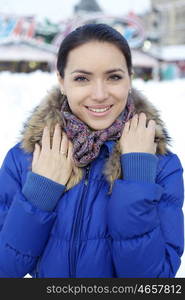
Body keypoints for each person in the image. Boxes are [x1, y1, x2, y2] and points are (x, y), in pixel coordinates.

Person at [0, 23, 184, 278]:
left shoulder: (161, 165)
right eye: (82, 78)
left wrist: (137, 177)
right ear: (62, 82)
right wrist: (40, 193)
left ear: (130, 78)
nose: (99, 94)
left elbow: (152, 281)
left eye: (114, 77)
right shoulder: (24, 159)